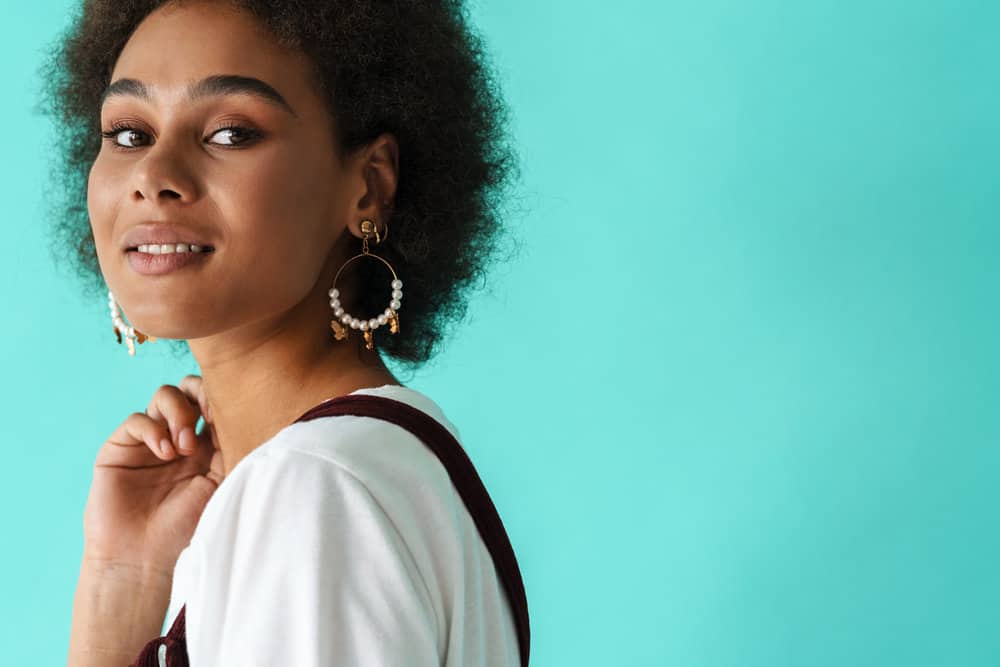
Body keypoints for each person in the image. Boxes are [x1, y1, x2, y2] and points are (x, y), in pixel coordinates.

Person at [37, 0, 525, 664]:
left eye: (231, 132)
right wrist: (124, 578)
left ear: (369, 186)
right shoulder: (375, 463)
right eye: (128, 133)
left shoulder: (314, 487)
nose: (154, 177)